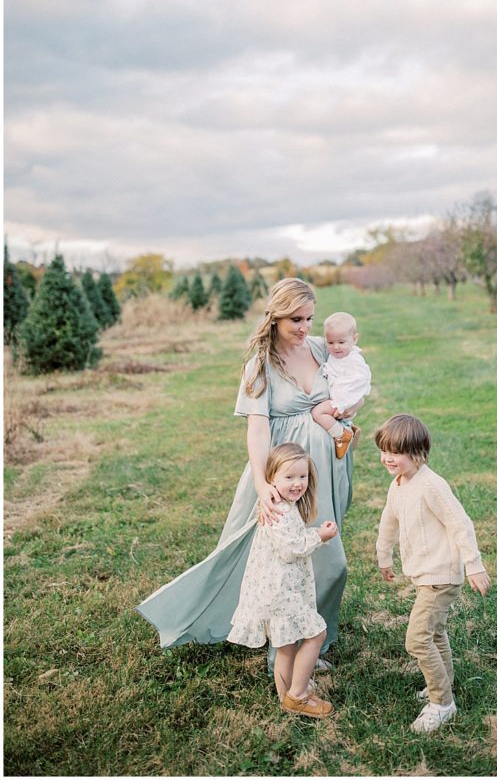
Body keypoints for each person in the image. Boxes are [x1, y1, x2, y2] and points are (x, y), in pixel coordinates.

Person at [136, 278, 362, 664]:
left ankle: (311, 640)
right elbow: (257, 427)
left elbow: (352, 381)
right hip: (284, 476)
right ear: (275, 317)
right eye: (295, 319)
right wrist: (262, 484)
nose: (305, 327)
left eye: (309, 317)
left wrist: (346, 418)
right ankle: (285, 650)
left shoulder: (323, 350)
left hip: (325, 469)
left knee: (323, 561)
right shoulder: (261, 363)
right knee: (289, 562)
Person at [374, 414, 491, 734]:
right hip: (425, 573)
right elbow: (389, 521)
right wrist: (384, 556)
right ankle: (443, 682)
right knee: (436, 632)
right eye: (384, 451)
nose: (387, 458)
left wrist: (474, 564)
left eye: (395, 452)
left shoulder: (431, 485)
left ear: (418, 453)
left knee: (417, 639)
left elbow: (460, 523)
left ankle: (442, 703)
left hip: (440, 576)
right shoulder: (398, 484)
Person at [228, 443, 337, 718]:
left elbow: (289, 540)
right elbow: (292, 549)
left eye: (303, 476)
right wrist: (320, 537)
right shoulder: (279, 509)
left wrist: (312, 532)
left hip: (275, 590)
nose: (298, 483)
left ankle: (286, 699)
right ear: (271, 479)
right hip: (280, 591)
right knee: (316, 633)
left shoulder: (279, 504)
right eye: (289, 477)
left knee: (286, 645)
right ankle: (299, 695)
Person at [311, 311, 372, 459]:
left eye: (341, 342)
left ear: (354, 339)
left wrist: (343, 402)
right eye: (330, 343)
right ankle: (347, 428)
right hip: (338, 399)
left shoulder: (353, 360)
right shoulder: (334, 356)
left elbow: (359, 381)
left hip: (343, 400)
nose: (336, 347)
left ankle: (341, 435)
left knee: (318, 413)